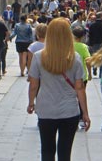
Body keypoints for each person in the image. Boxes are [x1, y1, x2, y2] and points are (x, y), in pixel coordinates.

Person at [27, 18, 91, 161]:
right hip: (69, 110)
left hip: (46, 109)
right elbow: (79, 88)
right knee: (65, 152)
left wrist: (31, 103)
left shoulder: (38, 57)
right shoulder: (75, 58)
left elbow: (33, 85)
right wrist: (85, 113)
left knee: (47, 150)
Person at [71, 25, 92, 128]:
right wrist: (90, 73)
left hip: (70, 75)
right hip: (82, 76)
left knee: (72, 96)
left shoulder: (69, 45)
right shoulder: (83, 47)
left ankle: (72, 116)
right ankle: (80, 117)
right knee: (81, 95)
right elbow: (88, 60)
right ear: (83, 36)